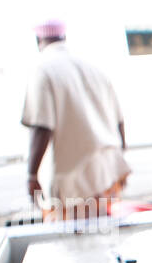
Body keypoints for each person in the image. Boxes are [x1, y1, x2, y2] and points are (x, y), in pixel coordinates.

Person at [21, 20, 130, 219]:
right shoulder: (93, 67)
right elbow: (119, 120)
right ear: (64, 37)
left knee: (74, 245)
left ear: (39, 39)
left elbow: (42, 126)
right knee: (106, 235)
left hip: (73, 184)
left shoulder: (43, 70)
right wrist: (120, 156)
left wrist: (32, 175)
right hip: (107, 173)